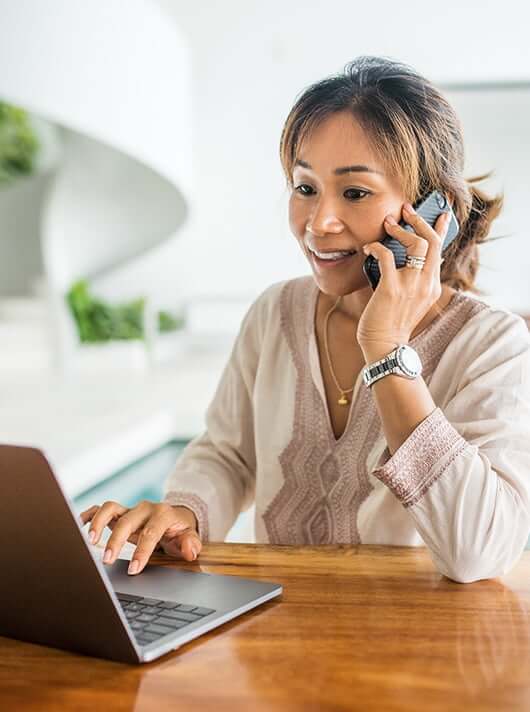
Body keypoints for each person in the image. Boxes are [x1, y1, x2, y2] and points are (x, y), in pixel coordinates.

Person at [80, 56, 530, 583]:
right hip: (276, 635)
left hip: (417, 647)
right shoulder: (275, 313)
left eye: (355, 193)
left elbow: (478, 551)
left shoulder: (492, 343)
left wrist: (386, 351)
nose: (318, 223)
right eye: (305, 187)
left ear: (433, 210)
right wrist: (184, 513)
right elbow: (227, 454)